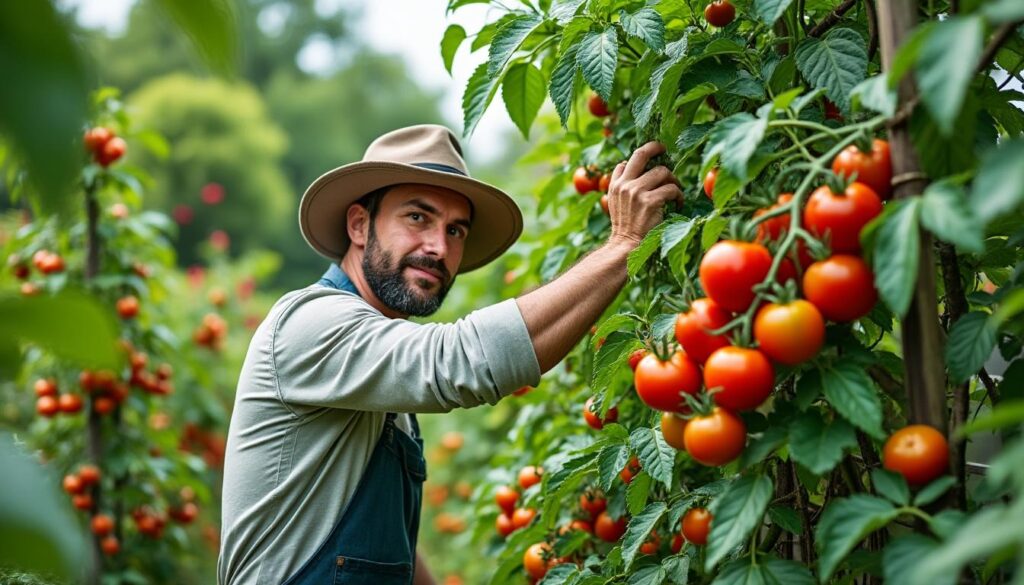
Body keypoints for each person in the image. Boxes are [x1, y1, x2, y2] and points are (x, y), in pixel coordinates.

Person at [217, 124, 682, 584]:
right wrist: (624, 245)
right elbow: (462, 361)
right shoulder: (310, 325)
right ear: (359, 225)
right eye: (417, 218)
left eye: (456, 230)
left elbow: (375, 539)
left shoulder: (376, 370)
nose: (439, 247)